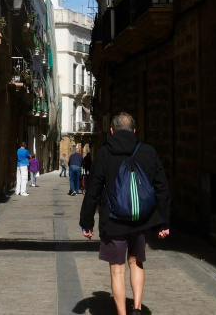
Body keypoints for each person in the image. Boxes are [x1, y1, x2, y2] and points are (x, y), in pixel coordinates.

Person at [79, 112, 170, 315]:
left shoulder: (103, 154)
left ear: (111, 131)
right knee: (136, 262)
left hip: (113, 221)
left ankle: (122, 314)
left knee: (117, 269)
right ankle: (137, 307)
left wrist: (87, 222)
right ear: (134, 131)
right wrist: (163, 222)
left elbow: (93, 190)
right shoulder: (148, 151)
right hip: (141, 220)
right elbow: (162, 187)